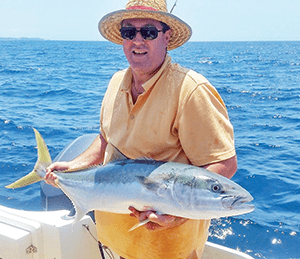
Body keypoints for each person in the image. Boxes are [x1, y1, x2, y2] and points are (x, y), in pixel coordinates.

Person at [45, 0, 237, 258]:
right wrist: (74, 166)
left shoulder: (191, 91)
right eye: (128, 32)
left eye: (148, 32)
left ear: (166, 36)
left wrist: (175, 215)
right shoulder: (116, 82)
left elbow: (224, 164)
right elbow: (106, 140)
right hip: (113, 237)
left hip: (167, 248)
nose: (137, 40)